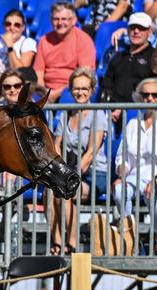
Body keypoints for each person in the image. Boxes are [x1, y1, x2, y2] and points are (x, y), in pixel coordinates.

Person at [112, 78, 157, 254]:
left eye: (155, 95)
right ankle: (130, 237)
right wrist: (121, 171)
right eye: (145, 95)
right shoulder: (133, 124)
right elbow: (123, 156)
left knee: (153, 190)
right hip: (135, 176)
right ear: (139, 97)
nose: (150, 98)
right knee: (119, 190)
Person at [49, 68, 109, 255]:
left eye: (84, 88)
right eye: (76, 88)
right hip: (69, 171)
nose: (80, 92)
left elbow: (91, 151)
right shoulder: (66, 114)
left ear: (92, 90)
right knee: (49, 193)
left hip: (94, 174)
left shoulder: (97, 114)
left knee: (65, 190)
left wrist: (69, 176)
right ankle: (57, 242)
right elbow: (56, 146)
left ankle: (72, 243)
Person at [33, 2, 96, 102]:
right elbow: (38, 73)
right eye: (56, 19)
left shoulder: (84, 40)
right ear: (51, 21)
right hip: (46, 90)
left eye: (64, 19)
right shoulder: (43, 41)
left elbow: (85, 76)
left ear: (74, 20)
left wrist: (55, 94)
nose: (60, 23)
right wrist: (43, 92)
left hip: (71, 89)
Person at [102, 13, 157, 126]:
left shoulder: (154, 57)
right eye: (132, 28)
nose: (136, 31)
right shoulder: (118, 56)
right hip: (112, 113)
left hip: (140, 115)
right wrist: (113, 108)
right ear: (127, 30)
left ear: (149, 32)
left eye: (141, 28)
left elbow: (152, 91)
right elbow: (106, 86)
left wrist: (125, 109)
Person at [0, 9, 37, 97]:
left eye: (17, 25)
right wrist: (2, 79)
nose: (12, 28)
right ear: (4, 26)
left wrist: (10, 46)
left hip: (17, 86)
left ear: (23, 28)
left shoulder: (28, 43)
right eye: (8, 24)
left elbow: (22, 72)